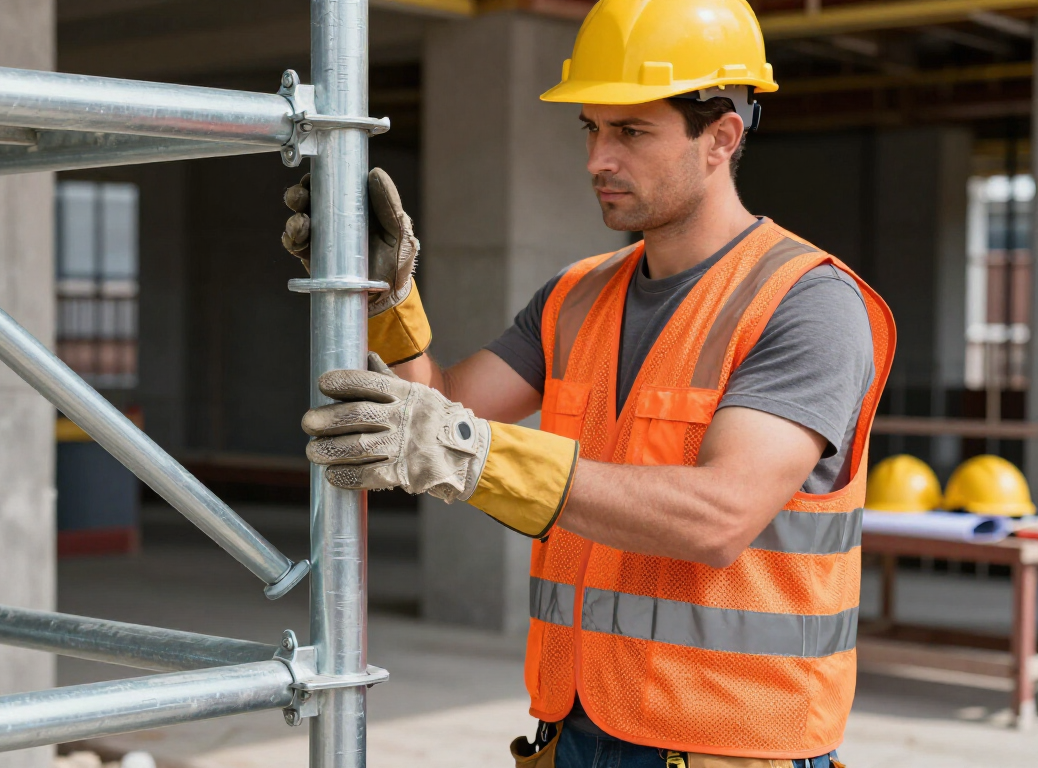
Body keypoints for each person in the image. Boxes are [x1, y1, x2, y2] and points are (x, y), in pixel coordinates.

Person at [280, 1, 894, 765]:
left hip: (727, 749)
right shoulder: (575, 296)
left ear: (722, 138)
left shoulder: (807, 302)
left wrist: (471, 454)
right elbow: (440, 410)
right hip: (574, 731)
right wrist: (387, 298)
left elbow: (719, 516)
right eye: (592, 129)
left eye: (631, 132)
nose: (598, 158)